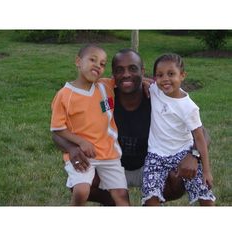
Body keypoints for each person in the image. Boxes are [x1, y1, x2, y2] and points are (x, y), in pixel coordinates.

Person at [52, 49, 200, 205]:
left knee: (178, 177)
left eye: (133, 69)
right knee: (81, 178)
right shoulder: (104, 96)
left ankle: (153, 199)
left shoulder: (159, 96)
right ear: (113, 76)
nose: (127, 74)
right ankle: (114, 204)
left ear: (142, 72)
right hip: (112, 163)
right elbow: (57, 133)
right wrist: (73, 148)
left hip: (150, 166)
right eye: (119, 70)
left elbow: (202, 133)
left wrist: (194, 155)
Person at [50, 44, 130, 206]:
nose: (98, 65)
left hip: (110, 154)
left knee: (121, 196)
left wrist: (148, 82)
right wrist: (80, 142)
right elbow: (58, 128)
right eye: (92, 60)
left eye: (102, 64)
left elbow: (127, 80)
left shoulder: (105, 86)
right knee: (81, 191)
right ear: (78, 61)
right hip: (84, 155)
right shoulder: (65, 95)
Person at [142, 53, 216, 206]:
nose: (165, 79)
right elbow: (142, 82)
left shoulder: (189, 107)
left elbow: (200, 137)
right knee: (150, 197)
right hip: (155, 155)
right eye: (160, 75)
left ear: (182, 75)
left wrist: (207, 170)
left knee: (204, 193)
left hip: (182, 152)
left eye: (171, 74)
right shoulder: (155, 90)